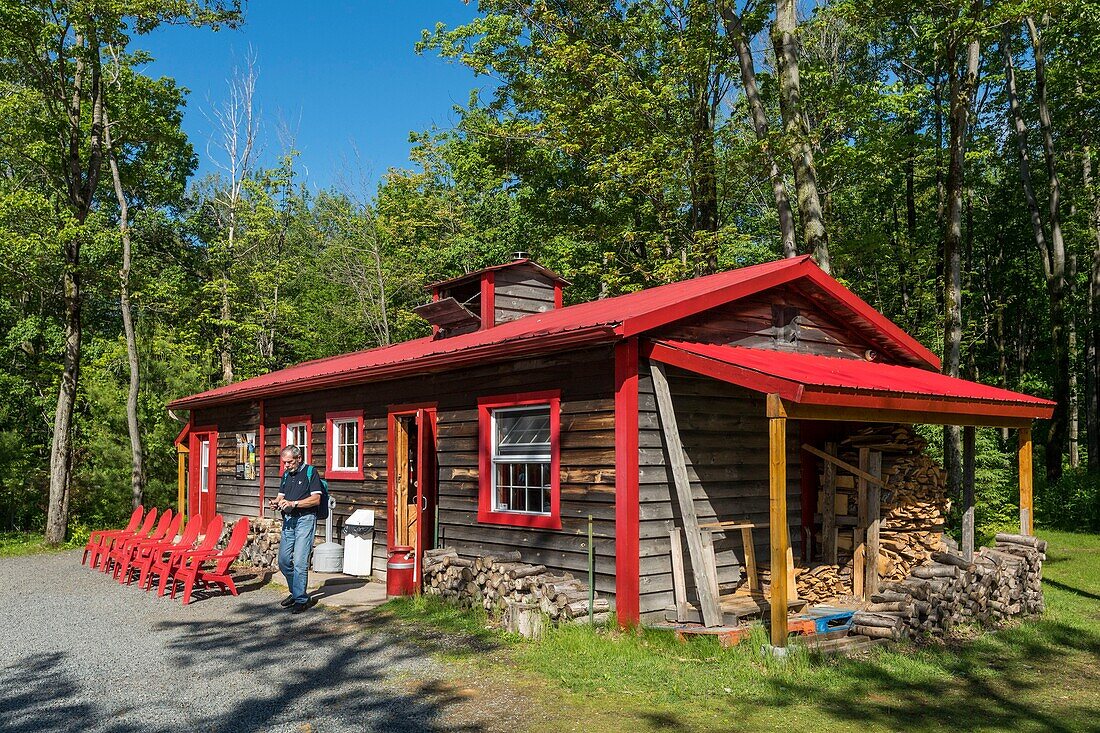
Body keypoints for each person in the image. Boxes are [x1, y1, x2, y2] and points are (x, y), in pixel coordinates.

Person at [271, 444, 322, 613]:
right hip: (289, 520)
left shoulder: (310, 472)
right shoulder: (286, 475)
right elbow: (280, 496)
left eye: (289, 462)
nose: (286, 465)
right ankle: (296, 592)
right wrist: (275, 503)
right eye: (284, 462)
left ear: (299, 458)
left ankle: (301, 599)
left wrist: (294, 503)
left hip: (305, 519)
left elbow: (316, 500)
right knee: (284, 561)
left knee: (300, 561)